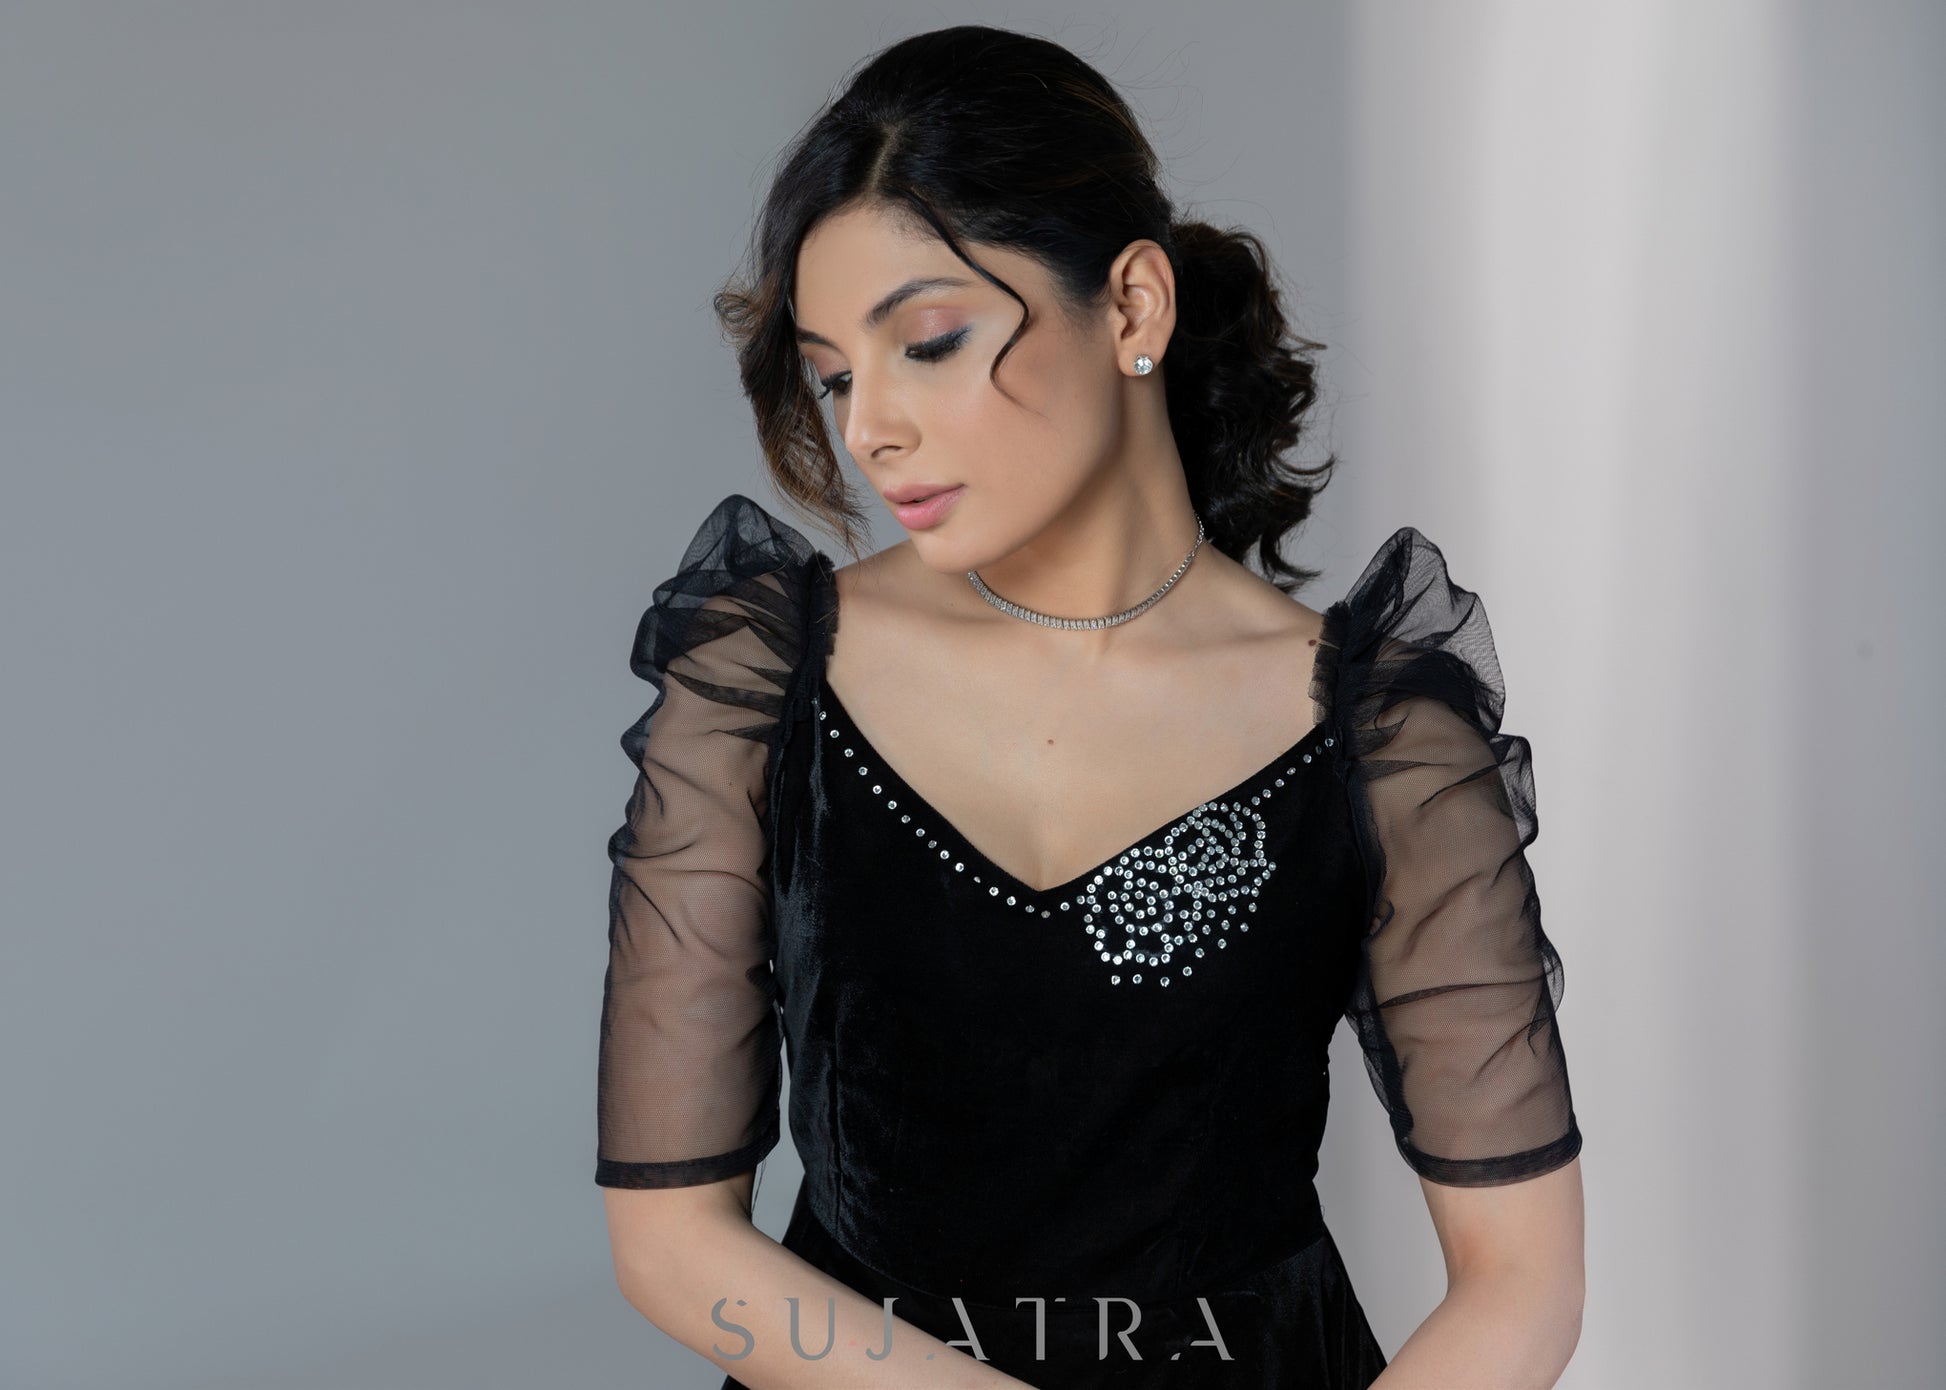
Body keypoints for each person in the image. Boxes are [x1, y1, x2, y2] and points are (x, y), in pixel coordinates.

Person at [594, 24, 1584, 1390]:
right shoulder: (764, 682)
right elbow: (669, 1241)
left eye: (928, 341)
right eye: (835, 374)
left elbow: (1522, 1283)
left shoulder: (1379, 731)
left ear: (1131, 308)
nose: (868, 428)